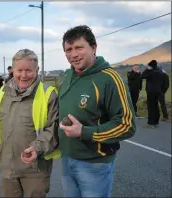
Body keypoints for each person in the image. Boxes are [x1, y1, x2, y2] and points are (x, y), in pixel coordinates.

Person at [58, 25, 136, 197]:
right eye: (68, 50)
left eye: (79, 47)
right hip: (66, 158)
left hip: (95, 164)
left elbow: (127, 125)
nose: (73, 54)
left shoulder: (110, 78)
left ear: (93, 48)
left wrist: (84, 132)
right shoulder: (66, 77)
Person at [0, 49, 60, 197]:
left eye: (29, 70)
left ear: (37, 70)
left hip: (35, 168)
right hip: (8, 166)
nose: (23, 75)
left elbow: (53, 128)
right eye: (19, 70)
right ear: (13, 70)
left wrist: (36, 148)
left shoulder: (49, 94)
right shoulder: (3, 93)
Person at [141, 60, 166, 128]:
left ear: (151, 66)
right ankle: (156, 122)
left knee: (151, 107)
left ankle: (150, 123)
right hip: (158, 91)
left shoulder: (152, 72)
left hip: (151, 91)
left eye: (149, 66)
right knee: (156, 106)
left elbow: (142, 76)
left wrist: (147, 69)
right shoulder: (161, 72)